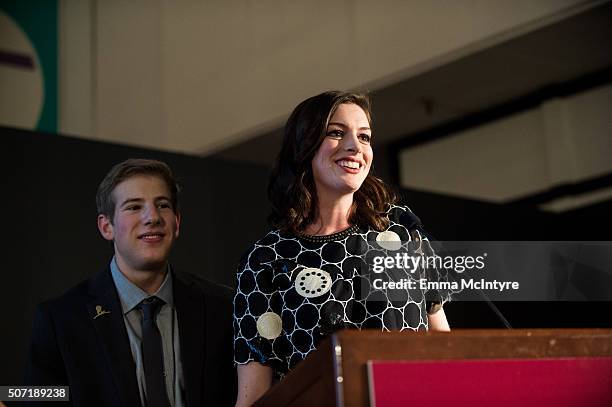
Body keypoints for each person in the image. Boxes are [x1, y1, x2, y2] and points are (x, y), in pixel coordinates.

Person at [233, 91, 451, 406]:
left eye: (364, 137)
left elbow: (445, 350)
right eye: (336, 133)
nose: (354, 146)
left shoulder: (404, 236)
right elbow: (253, 397)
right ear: (304, 145)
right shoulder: (265, 260)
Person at [25, 158, 236, 406]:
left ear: (176, 223)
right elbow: (34, 398)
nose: (153, 217)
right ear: (106, 227)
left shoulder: (222, 307)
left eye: (163, 205)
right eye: (134, 207)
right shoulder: (60, 320)